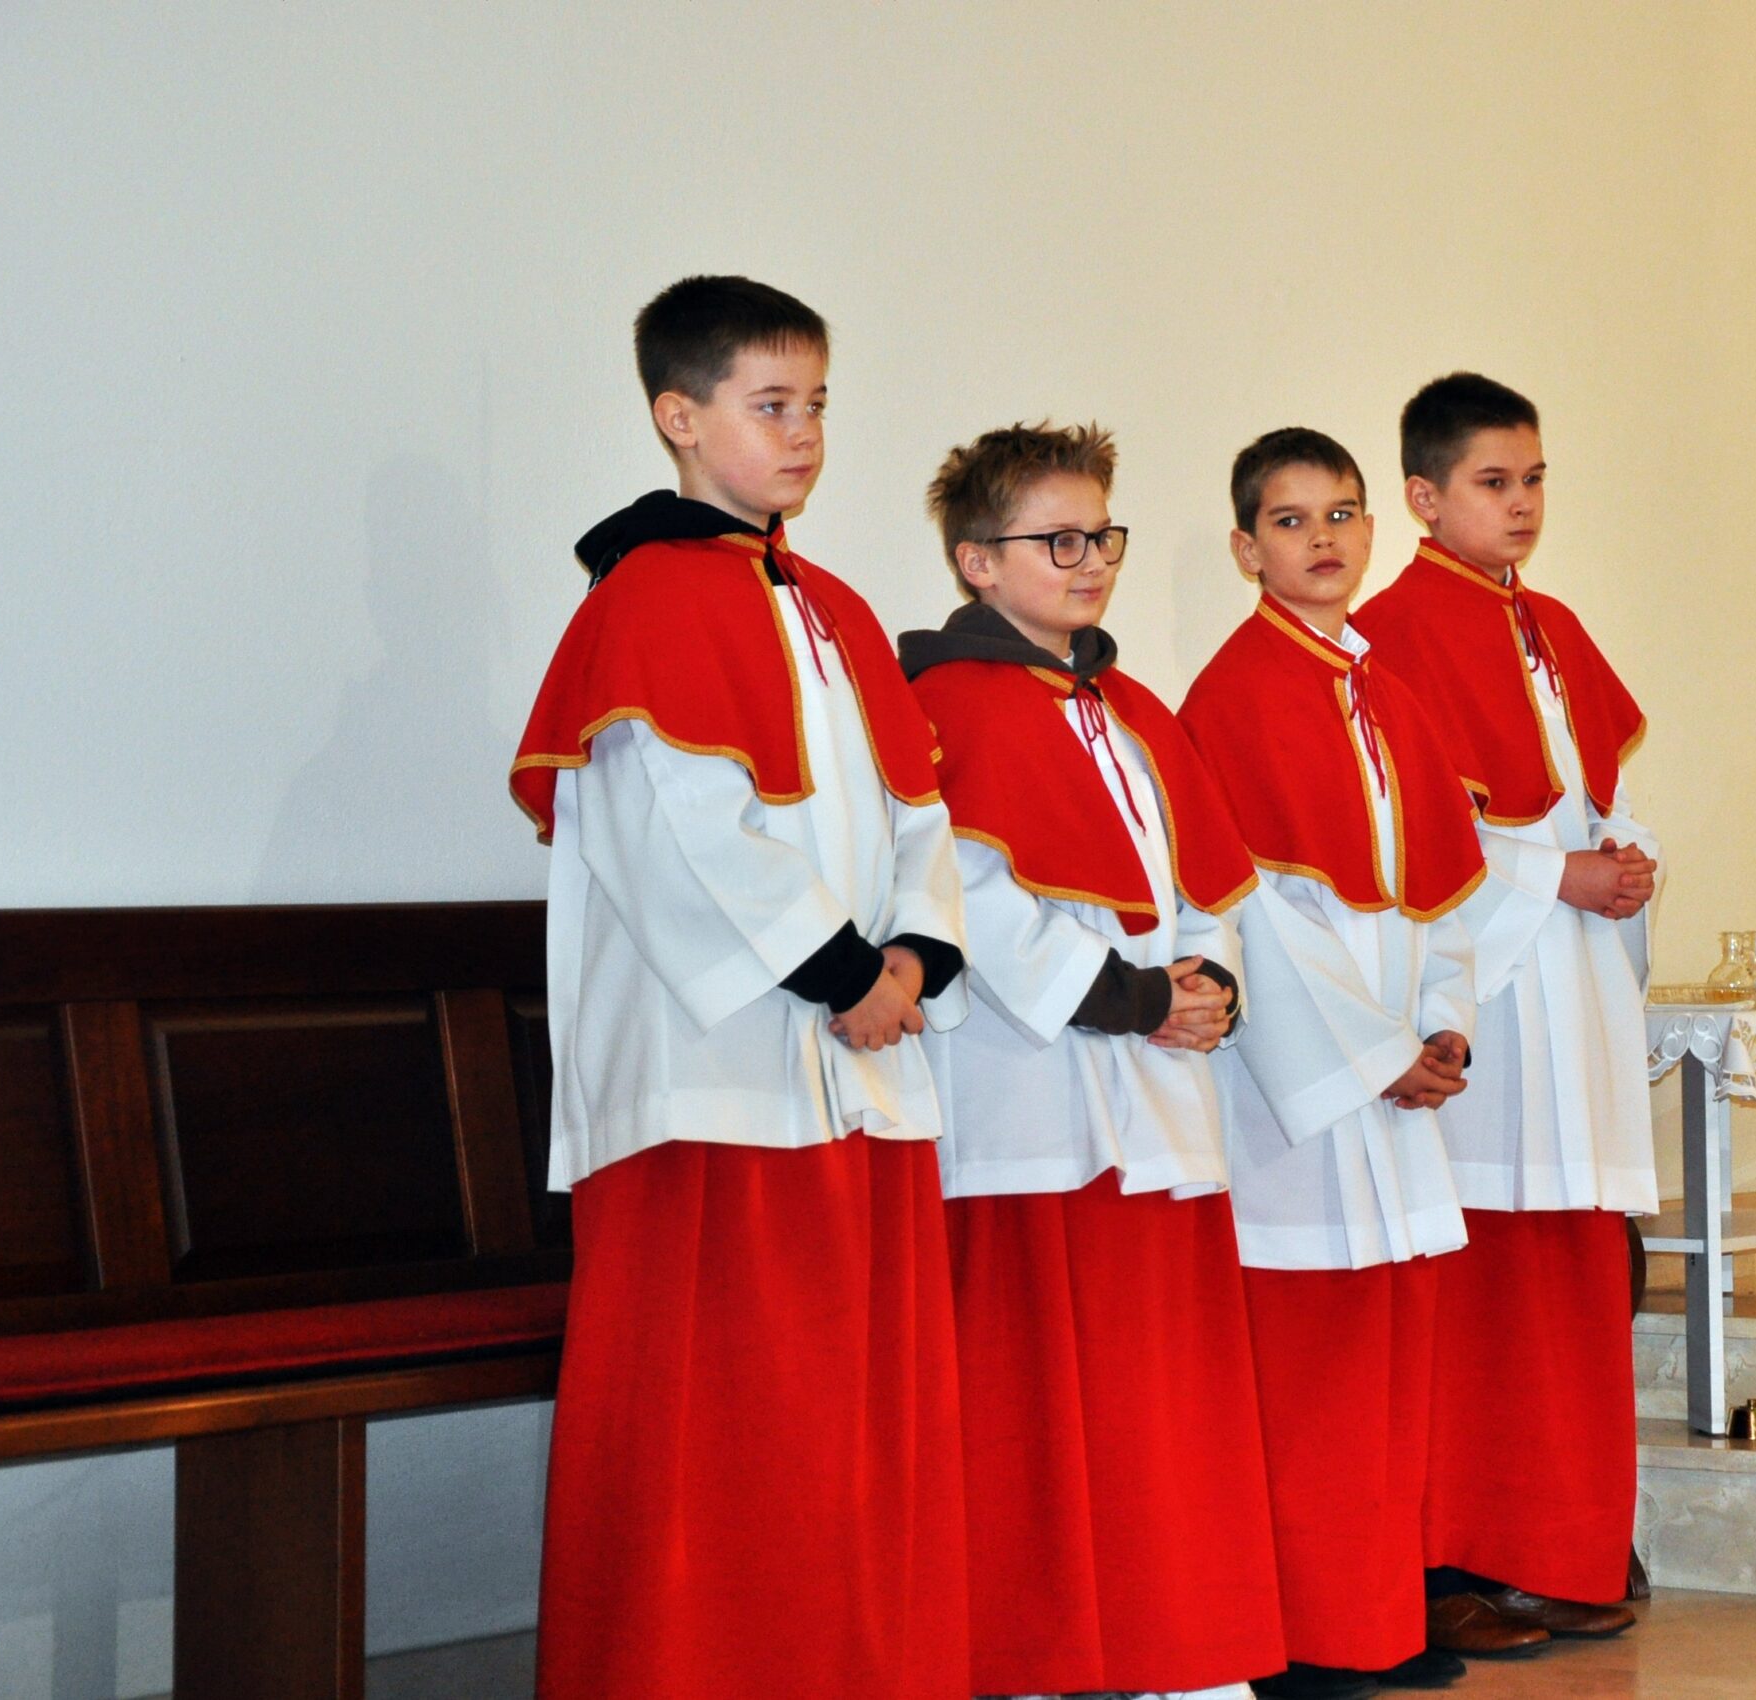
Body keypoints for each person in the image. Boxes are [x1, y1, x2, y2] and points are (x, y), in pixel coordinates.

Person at [509, 275, 970, 1700]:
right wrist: (847, 975)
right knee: (722, 1426)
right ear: (679, 417)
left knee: (850, 1427)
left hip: (856, 1066)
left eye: (817, 403)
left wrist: (913, 958)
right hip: (715, 1081)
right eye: (772, 405)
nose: (805, 433)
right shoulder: (645, 603)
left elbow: (918, 814)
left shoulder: (834, 608)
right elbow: (680, 838)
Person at [900, 420, 1284, 1700]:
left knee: (1159, 1397)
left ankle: (1178, 1650)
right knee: (1034, 1404)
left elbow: (1204, 884)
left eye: (1101, 535)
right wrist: (1131, 997)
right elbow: (966, 898)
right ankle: (1040, 1660)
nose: (1090, 561)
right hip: (1029, 1098)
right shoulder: (941, 708)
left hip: (1155, 1092)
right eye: (1055, 540)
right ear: (976, 561)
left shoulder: (1133, 711)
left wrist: (1207, 982)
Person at [1180, 429, 1545, 1700]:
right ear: (1247, 548)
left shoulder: (1385, 691)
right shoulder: (1232, 696)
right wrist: (1380, 1052)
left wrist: (1444, 1023)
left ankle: (1376, 1615)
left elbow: (1443, 889)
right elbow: (1251, 916)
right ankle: (1298, 1634)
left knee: (1391, 1356)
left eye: (1341, 514)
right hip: (1302, 1091)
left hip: (1392, 1075)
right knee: (1309, 1366)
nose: (1322, 539)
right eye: (1290, 521)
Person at [1351, 371, 1656, 1649]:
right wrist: (1555, 876)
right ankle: (1462, 1552)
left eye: (1533, 479)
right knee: (1481, 1282)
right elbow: (1411, 836)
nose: (1521, 503)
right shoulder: (1389, 636)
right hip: (1487, 996)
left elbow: (1583, 797)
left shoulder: (1549, 624)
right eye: (1493, 481)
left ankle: (1566, 1540)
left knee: (1571, 1265)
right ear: (1424, 496)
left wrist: (1621, 857)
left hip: (1569, 995)